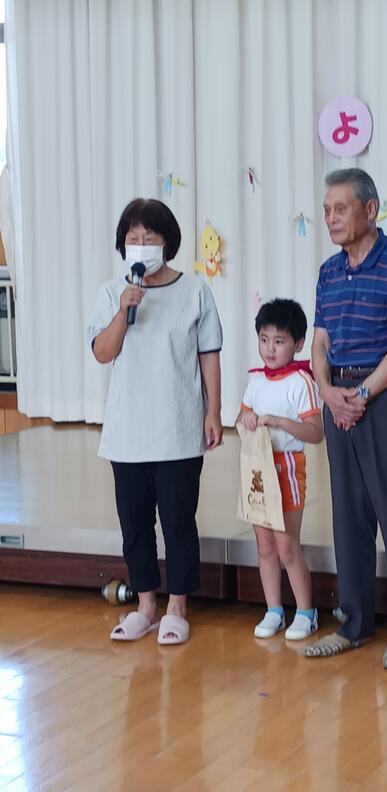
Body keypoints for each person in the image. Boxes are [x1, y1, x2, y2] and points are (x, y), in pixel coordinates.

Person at [305, 169, 387, 670]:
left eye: (340, 208)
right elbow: (320, 342)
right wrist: (328, 393)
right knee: (348, 515)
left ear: (371, 209)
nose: (331, 218)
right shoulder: (328, 271)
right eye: (326, 210)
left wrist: (361, 393)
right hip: (339, 396)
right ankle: (354, 623)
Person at [88, 198, 223, 645]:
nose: (141, 244)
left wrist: (214, 411)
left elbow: (208, 355)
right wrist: (123, 311)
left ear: (168, 242)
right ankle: (145, 605)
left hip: (178, 428)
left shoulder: (195, 290)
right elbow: (103, 352)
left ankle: (177, 607)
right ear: (122, 244)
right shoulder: (113, 291)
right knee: (135, 525)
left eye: (150, 237)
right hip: (127, 432)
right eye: (133, 237)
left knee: (179, 522)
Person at [238, 299, 323, 641]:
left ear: (298, 344)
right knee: (265, 546)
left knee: (287, 546)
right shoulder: (256, 379)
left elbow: (315, 432)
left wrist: (278, 422)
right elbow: (242, 417)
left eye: (279, 341)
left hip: (286, 467)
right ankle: (274, 609)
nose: (270, 349)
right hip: (257, 468)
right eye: (264, 340)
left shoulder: (301, 382)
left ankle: (306, 612)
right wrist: (245, 419)